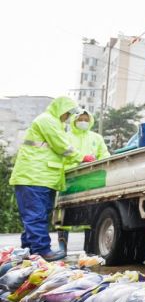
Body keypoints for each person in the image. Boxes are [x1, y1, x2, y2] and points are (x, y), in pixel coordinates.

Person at [9, 96, 95, 260]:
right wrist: (82, 157)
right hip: (33, 176)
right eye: (68, 113)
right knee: (36, 216)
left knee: (38, 216)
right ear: (60, 109)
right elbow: (61, 146)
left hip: (42, 177)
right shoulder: (47, 120)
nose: (68, 117)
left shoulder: (55, 123)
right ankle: (42, 250)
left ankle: (29, 252)